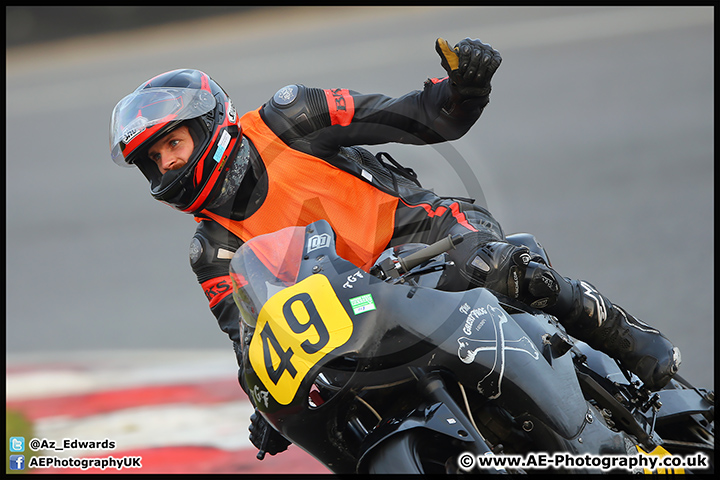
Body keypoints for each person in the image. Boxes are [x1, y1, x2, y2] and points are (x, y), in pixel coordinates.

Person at [110, 37, 680, 457]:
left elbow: (419, 116)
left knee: (504, 266)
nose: (166, 166)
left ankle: (630, 341)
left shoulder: (291, 118)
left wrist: (464, 90)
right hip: (358, 321)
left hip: (426, 239)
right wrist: (264, 403)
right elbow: (248, 339)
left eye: (173, 145)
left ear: (210, 124)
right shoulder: (210, 250)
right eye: (152, 161)